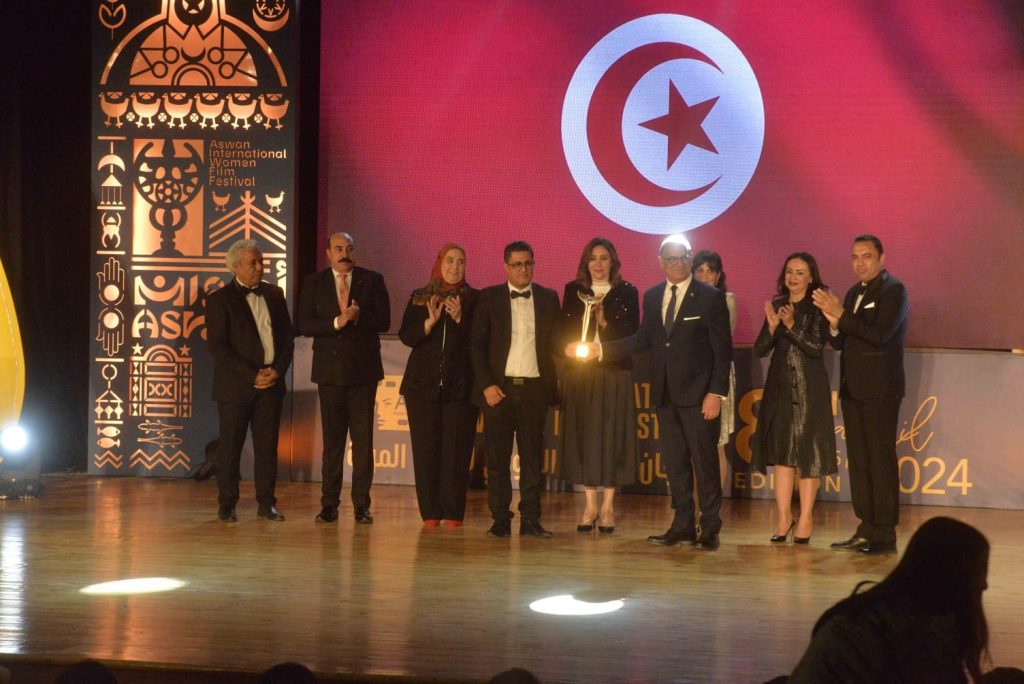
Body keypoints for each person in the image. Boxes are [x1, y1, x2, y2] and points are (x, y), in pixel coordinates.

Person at [591, 234, 732, 550]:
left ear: (690, 259)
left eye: (683, 258)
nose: (678, 263)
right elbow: (643, 339)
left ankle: (710, 526)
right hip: (665, 395)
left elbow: (722, 351)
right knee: (675, 464)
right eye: (671, 259)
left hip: (699, 396)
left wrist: (716, 393)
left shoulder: (709, 297)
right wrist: (602, 349)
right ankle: (682, 525)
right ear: (661, 262)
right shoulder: (654, 296)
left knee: (705, 463)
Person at [789, 517, 991, 683]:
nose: (984, 584)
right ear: (948, 571)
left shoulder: (927, 620)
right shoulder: (872, 630)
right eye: (979, 570)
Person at [812, 234, 908, 555]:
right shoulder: (854, 292)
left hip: (881, 390)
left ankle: (884, 534)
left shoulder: (894, 290)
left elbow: (880, 334)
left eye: (866, 256)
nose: (860, 263)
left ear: (881, 258)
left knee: (880, 460)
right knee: (860, 461)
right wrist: (833, 322)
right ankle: (866, 527)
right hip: (853, 389)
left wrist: (841, 315)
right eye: (854, 257)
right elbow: (842, 341)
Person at [298, 231, 391, 524]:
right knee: (333, 443)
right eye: (338, 248)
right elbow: (304, 323)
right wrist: (338, 322)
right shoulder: (314, 282)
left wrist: (359, 316)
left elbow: (385, 321)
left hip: (363, 373)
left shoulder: (372, 280)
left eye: (349, 248)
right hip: (330, 373)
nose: (344, 254)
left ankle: (362, 505)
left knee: (363, 442)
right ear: (328, 253)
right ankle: (329, 504)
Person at [470, 241, 560, 539]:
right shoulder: (489, 297)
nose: (524, 269)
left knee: (533, 459)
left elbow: (558, 341)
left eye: (528, 263)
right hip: (499, 390)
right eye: (517, 264)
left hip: (534, 390)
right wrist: (487, 384)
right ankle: (500, 519)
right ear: (506, 266)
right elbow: (476, 346)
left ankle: (531, 519)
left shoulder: (548, 298)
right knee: (497, 461)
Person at [751, 253, 837, 543]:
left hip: (810, 389)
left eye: (800, 272)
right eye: (789, 271)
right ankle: (783, 517)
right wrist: (772, 327)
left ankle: (806, 518)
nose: (793, 277)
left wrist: (791, 326)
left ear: (811, 277)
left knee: (807, 456)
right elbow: (760, 349)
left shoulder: (818, 306)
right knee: (783, 456)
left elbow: (815, 347)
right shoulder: (778, 305)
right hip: (780, 389)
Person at [206, 239, 294, 522]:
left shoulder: (275, 294)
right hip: (235, 387)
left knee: (267, 448)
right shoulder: (219, 300)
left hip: (271, 384)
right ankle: (227, 504)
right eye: (252, 263)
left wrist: (277, 371)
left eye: (261, 261)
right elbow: (218, 346)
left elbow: (287, 339)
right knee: (231, 447)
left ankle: (267, 503)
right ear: (236, 267)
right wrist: (251, 374)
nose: (259, 267)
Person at [557, 237, 639, 533]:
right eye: (593, 258)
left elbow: (632, 335)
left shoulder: (627, 292)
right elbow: (563, 330)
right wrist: (567, 347)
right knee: (585, 435)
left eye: (604, 258)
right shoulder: (573, 290)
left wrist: (604, 324)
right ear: (586, 262)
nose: (598, 264)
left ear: (612, 262)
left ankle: (608, 508)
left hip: (614, 373)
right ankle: (590, 504)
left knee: (612, 436)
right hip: (581, 373)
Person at [399, 244, 478, 528]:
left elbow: (480, 340)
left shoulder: (474, 299)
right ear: (439, 263)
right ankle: (430, 511)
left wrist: (460, 319)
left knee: (457, 452)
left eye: (461, 261)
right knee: (426, 450)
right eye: (450, 260)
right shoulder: (420, 296)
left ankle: (453, 512)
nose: (455, 267)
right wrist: (428, 323)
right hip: (422, 386)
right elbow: (407, 336)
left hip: (461, 386)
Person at [691, 250, 737, 464]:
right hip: (689, 378)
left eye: (710, 271)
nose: (705, 276)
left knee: (714, 444)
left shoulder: (726, 300)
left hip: (715, 376)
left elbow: (721, 341)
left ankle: (714, 489)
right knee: (691, 444)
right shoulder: (682, 300)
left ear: (718, 276)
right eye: (699, 270)